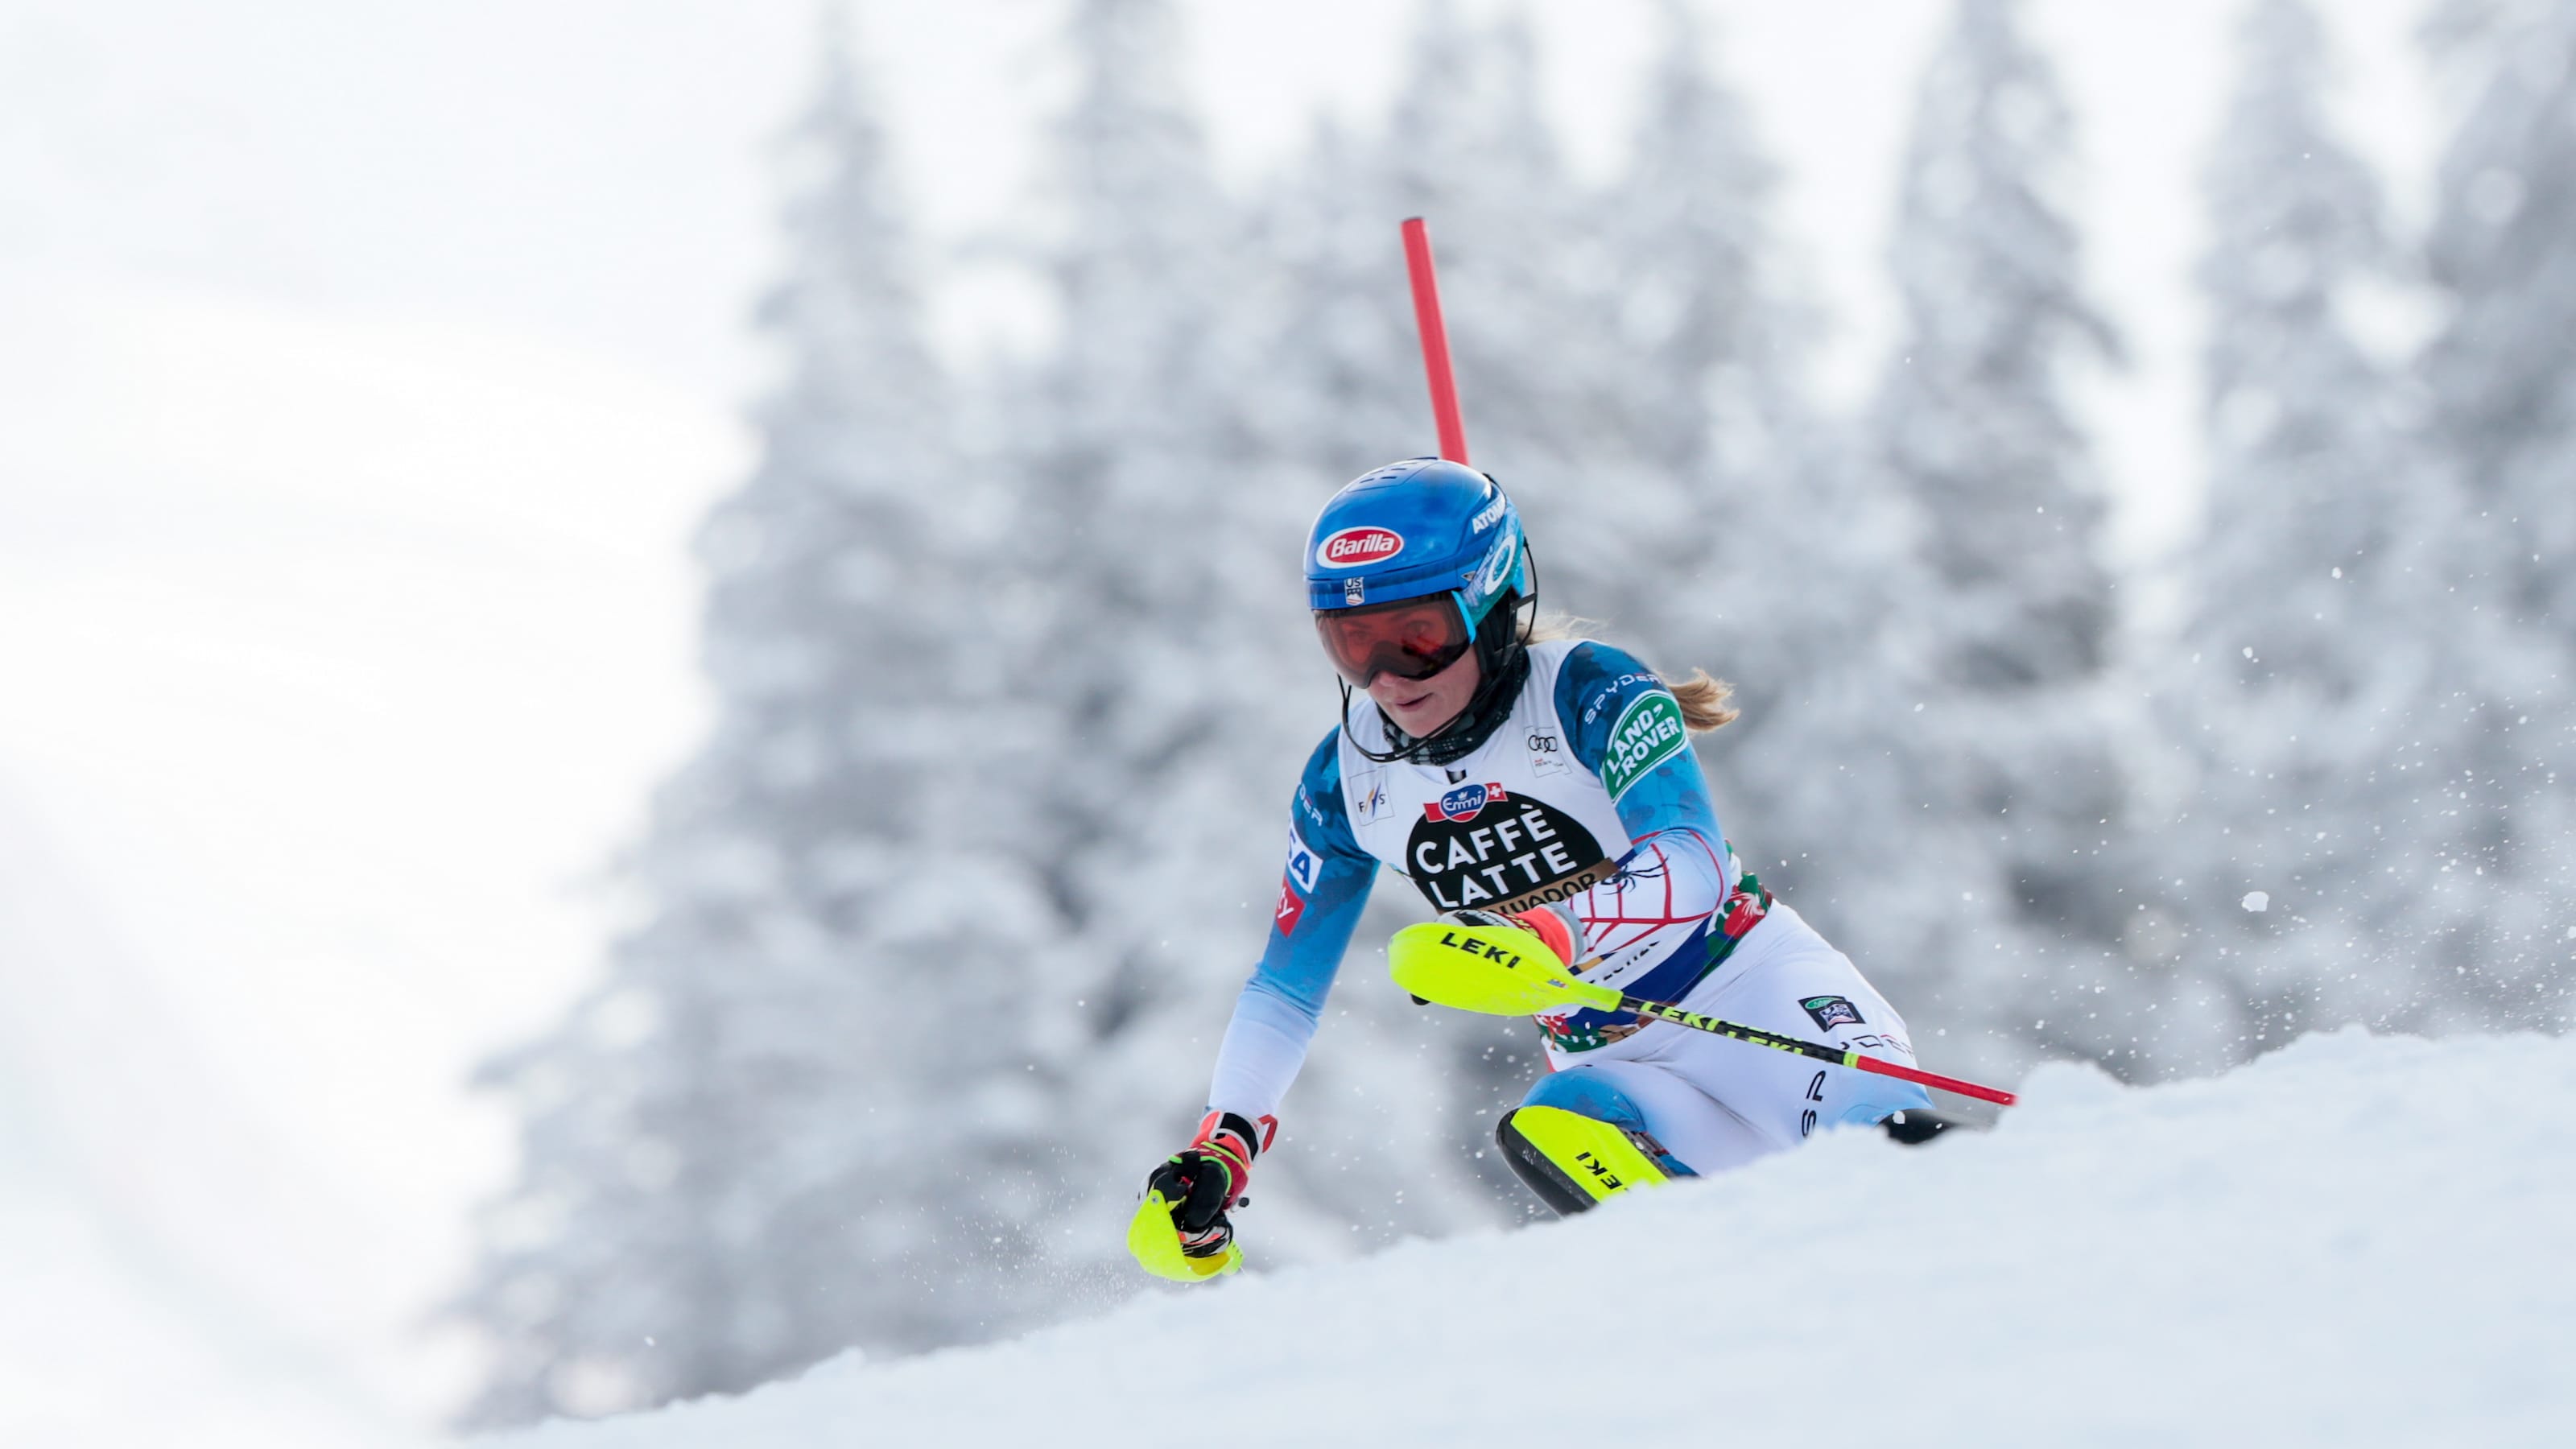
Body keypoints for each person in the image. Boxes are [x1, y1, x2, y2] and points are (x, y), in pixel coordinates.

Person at [1130, 458, 1938, 1281]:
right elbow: (1284, 988)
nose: (1386, 681)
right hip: (1605, 1060)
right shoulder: (1346, 781)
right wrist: (1224, 1141)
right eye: (1353, 646)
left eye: (1416, 640)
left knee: (1894, 1158)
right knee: (1550, 1125)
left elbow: (1688, 859)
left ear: (1487, 606)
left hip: (1750, 993)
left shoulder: (1589, 689)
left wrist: (1549, 928)